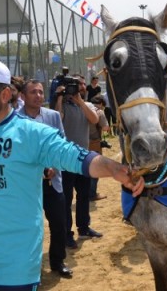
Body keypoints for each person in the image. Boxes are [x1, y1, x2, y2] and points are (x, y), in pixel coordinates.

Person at [0, 57, 144, 289]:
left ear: (5, 95)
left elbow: (76, 157)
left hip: (15, 271)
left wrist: (115, 168)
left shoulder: (32, 133)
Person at [18, 79, 73, 277]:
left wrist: (55, 167)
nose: (39, 96)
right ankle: (31, 268)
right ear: (22, 97)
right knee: (29, 228)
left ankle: (58, 262)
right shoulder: (14, 120)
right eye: (33, 92)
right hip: (26, 186)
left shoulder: (53, 116)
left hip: (52, 183)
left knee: (59, 224)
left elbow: (61, 144)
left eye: (41, 92)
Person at [55, 74, 103, 245]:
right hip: (66, 159)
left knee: (83, 196)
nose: (80, 87)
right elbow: (58, 118)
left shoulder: (87, 105)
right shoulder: (61, 106)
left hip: (83, 158)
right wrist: (60, 97)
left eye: (81, 84)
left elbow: (94, 119)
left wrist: (80, 101)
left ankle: (84, 228)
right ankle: (67, 233)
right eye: (75, 85)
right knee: (66, 200)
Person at [88, 94, 110, 201]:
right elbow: (105, 127)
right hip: (94, 144)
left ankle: (84, 192)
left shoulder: (82, 109)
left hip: (80, 143)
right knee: (94, 170)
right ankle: (92, 194)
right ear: (101, 103)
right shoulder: (99, 112)